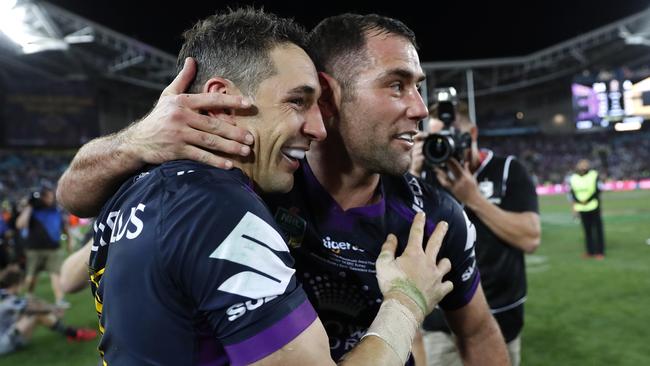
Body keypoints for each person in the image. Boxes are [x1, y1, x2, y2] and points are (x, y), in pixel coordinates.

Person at [57, 13, 510, 365]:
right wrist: (136, 140)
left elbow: (478, 332)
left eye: (419, 88)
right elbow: (75, 195)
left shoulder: (433, 216)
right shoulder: (245, 191)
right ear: (332, 97)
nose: (420, 109)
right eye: (396, 85)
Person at [411, 102, 541, 366]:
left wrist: (474, 198)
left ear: (471, 135)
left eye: (452, 137)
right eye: (437, 138)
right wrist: (410, 174)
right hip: (440, 320)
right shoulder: (424, 176)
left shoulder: (507, 170)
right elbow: (400, 238)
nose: (445, 146)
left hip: (500, 314)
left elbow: (530, 238)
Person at [0, 265, 96, 356]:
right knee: (36, 314)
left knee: (34, 309)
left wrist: (48, 307)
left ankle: (72, 333)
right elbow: (30, 307)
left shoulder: (5, 295)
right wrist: (54, 309)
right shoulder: (7, 299)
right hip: (3, 345)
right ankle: (73, 334)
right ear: (16, 284)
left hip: (6, 338)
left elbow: (29, 303)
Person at [14, 187, 70, 308]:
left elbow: (63, 226)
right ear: (42, 197)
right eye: (48, 196)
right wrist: (29, 206)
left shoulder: (55, 210)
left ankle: (60, 299)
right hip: (35, 250)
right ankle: (28, 296)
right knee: (31, 277)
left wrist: (69, 241)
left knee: (56, 274)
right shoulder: (33, 210)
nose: (51, 198)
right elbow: (20, 224)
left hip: (53, 249)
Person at [568, 159, 605, 259]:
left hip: (594, 206)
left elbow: (597, 191)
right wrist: (577, 205)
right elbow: (572, 193)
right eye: (581, 164)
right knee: (587, 231)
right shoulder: (573, 178)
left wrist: (587, 200)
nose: (583, 166)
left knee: (598, 230)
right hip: (581, 208)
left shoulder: (594, 175)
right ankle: (590, 251)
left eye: (585, 164)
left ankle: (600, 252)